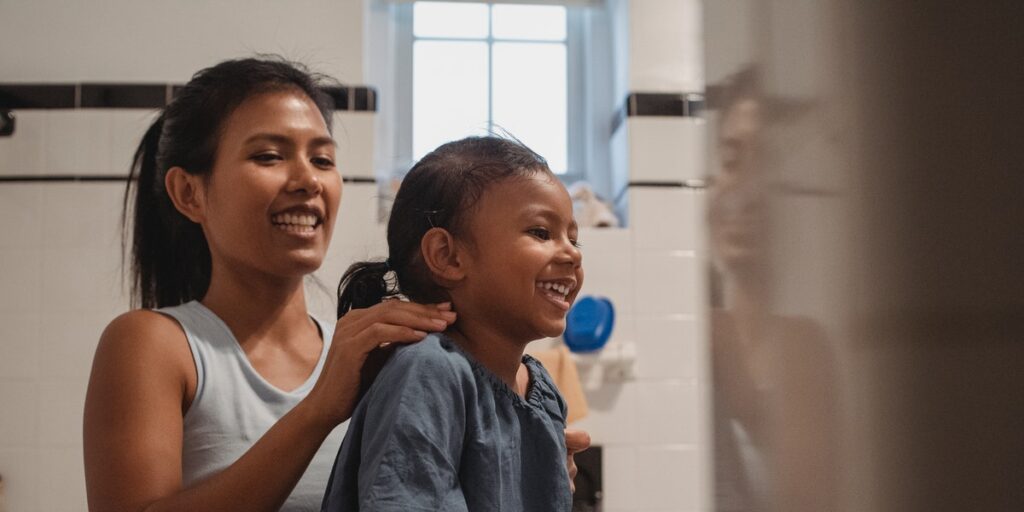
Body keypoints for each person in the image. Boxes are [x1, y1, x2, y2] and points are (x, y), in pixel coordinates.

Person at [82, 57, 588, 512]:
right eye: (268, 156)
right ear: (189, 192)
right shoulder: (155, 344)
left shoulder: (376, 349)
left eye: (323, 159)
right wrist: (318, 410)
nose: (309, 180)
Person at [321, 136, 583, 511]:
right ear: (447, 256)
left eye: (574, 240)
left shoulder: (540, 389)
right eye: (541, 233)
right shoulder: (429, 372)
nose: (572, 253)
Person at [708, 67, 838, 512]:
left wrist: (734, 370)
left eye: (765, 162)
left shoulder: (806, 345)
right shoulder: (699, 332)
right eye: (730, 161)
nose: (740, 193)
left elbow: (809, 496)